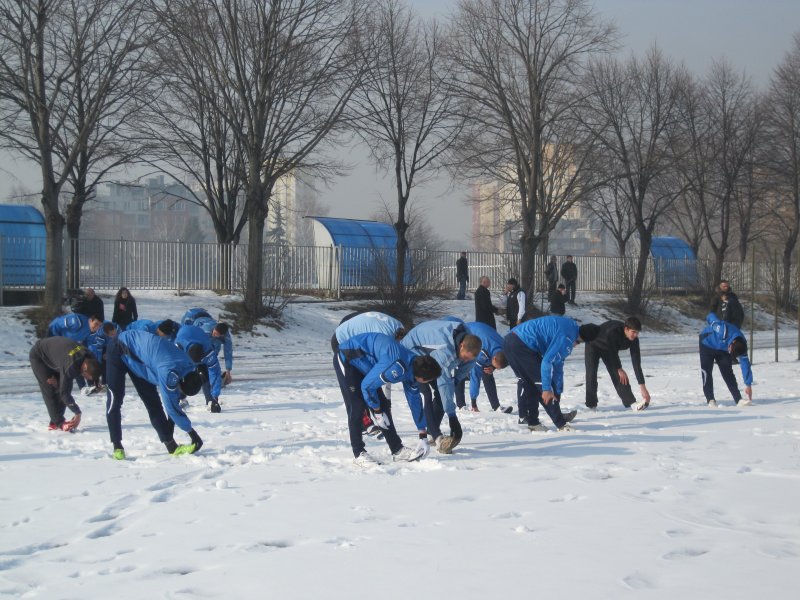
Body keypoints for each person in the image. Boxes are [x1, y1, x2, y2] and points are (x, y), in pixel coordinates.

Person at [335, 332, 441, 465]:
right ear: (422, 377)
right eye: (429, 381)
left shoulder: (415, 368)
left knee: (383, 405)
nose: (427, 383)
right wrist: (377, 412)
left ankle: (397, 450)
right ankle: (358, 453)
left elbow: (414, 400)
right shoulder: (396, 366)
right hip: (348, 357)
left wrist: (423, 434)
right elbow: (367, 387)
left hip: (366, 364)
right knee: (357, 406)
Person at [104, 330, 205, 460]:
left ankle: (171, 446)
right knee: (115, 398)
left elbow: (174, 397)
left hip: (141, 360)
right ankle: (117, 446)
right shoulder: (169, 372)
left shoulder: (188, 366)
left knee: (153, 402)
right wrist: (192, 433)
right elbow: (171, 406)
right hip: (119, 348)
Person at [503, 316, 599, 432]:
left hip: (509, 339)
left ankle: (533, 423)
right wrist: (548, 389)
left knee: (530, 384)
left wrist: (558, 390)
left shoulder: (570, 326)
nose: (575, 345)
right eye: (578, 342)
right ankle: (561, 425)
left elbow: (558, 365)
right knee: (542, 385)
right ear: (583, 340)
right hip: (523, 344)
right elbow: (547, 362)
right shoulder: (567, 339)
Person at [401, 320, 482, 453]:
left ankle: (433, 431)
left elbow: (466, 366)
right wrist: (452, 416)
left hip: (430, 353)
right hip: (411, 351)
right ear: (461, 346)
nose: (465, 360)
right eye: (464, 357)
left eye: (469, 358)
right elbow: (443, 383)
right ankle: (437, 437)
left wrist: (455, 380)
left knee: (440, 393)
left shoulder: (468, 341)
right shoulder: (445, 352)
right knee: (427, 393)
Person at [29, 337, 101, 432]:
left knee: (61, 385)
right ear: (84, 368)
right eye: (86, 377)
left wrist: (95, 383)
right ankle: (58, 423)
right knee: (51, 388)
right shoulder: (70, 366)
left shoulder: (90, 357)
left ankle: (55, 421)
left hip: (58, 355)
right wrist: (77, 413)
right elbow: (64, 393)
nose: (85, 379)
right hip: (39, 356)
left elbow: (93, 371)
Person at [584, 317, 651, 412]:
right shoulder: (613, 332)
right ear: (626, 329)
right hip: (593, 344)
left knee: (620, 377)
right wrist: (619, 369)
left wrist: (643, 387)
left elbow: (636, 363)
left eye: (637, 332)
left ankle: (632, 404)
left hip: (608, 350)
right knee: (591, 374)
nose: (635, 335)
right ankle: (591, 405)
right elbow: (612, 352)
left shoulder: (634, 339)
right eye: (633, 332)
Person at [454, 321, 513, 413]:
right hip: (467, 335)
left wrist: (492, 368)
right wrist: (474, 403)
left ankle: (496, 406)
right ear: (493, 358)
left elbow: (497, 362)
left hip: (482, 333)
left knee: (487, 372)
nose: (495, 369)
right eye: (495, 366)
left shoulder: (505, 348)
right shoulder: (483, 350)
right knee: (461, 371)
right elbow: (475, 376)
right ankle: (461, 405)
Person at [699, 313, 753, 407]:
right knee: (706, 371)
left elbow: (745, 365)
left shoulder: (742, 345)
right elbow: (710, 316)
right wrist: (712, 322)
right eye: (731, 351)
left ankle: (738, 399)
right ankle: (710, 399)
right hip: (707, 344)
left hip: (723, 350)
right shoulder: (722, 330)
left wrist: (748, 385)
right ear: (732, 343)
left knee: (728, 373)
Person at [175, 324, 223, 413]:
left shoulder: (208, 352)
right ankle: (180, 398)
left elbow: (215, 373)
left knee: (204, 373)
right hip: (185, 335)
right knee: (181, 374)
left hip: (199, 338)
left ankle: (210, 400)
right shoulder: (178, 345)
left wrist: (215, 397)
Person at [191, 313, 234, 385]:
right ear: (214, 328)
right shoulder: (205, 330)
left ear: (222, 335)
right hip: (194, 321)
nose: (214, 334)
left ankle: (210, 373)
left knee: (214, 349)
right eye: (214, 332)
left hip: (207, 320)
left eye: (216, 334)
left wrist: (228, 371)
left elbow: (228, 352)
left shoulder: (226, 337)